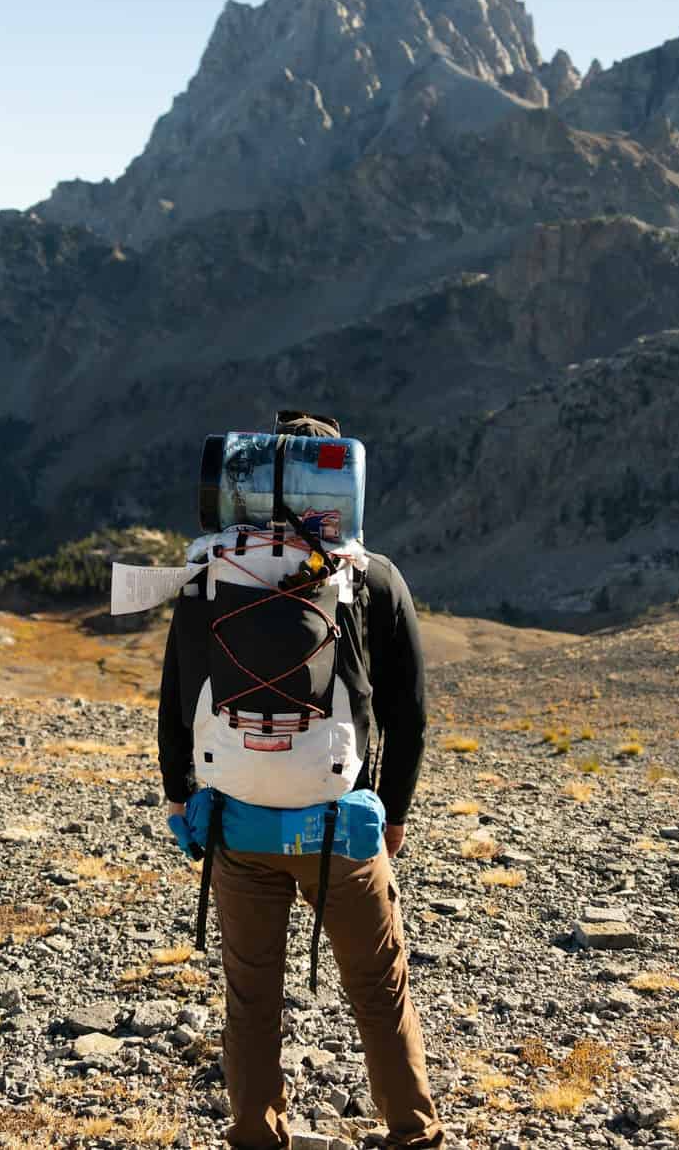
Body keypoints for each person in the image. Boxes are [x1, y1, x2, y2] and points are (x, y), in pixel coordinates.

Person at [157, 413, 444, 1150]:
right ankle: (413, 1133)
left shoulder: (207, 572)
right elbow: (409, 714)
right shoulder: (371, 576)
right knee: (379, 988)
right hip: (340, 824)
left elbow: (177, 699)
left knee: (251, 996)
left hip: (237, 820)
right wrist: (397, 813)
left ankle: (256, 1133)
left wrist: (183, 798)